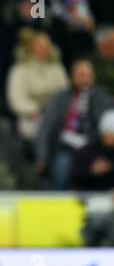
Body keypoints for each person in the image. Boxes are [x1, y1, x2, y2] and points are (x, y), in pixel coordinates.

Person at [36, 60, 114, 190]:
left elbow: (108, 129)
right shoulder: (60, 98)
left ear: (93, 76)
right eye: (79, 75)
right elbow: (46, 127)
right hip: (66, 148)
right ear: (72, 77)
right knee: (62, 166)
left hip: (94, 149)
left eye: (86, 75)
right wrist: (41, 156)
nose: (83, 79)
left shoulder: (104, 98)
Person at [71, 110, 114, 190]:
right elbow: (75, 178)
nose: (110, 137)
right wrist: (91, 171)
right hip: (88, 197)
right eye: (108, 133)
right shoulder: (86, 152)